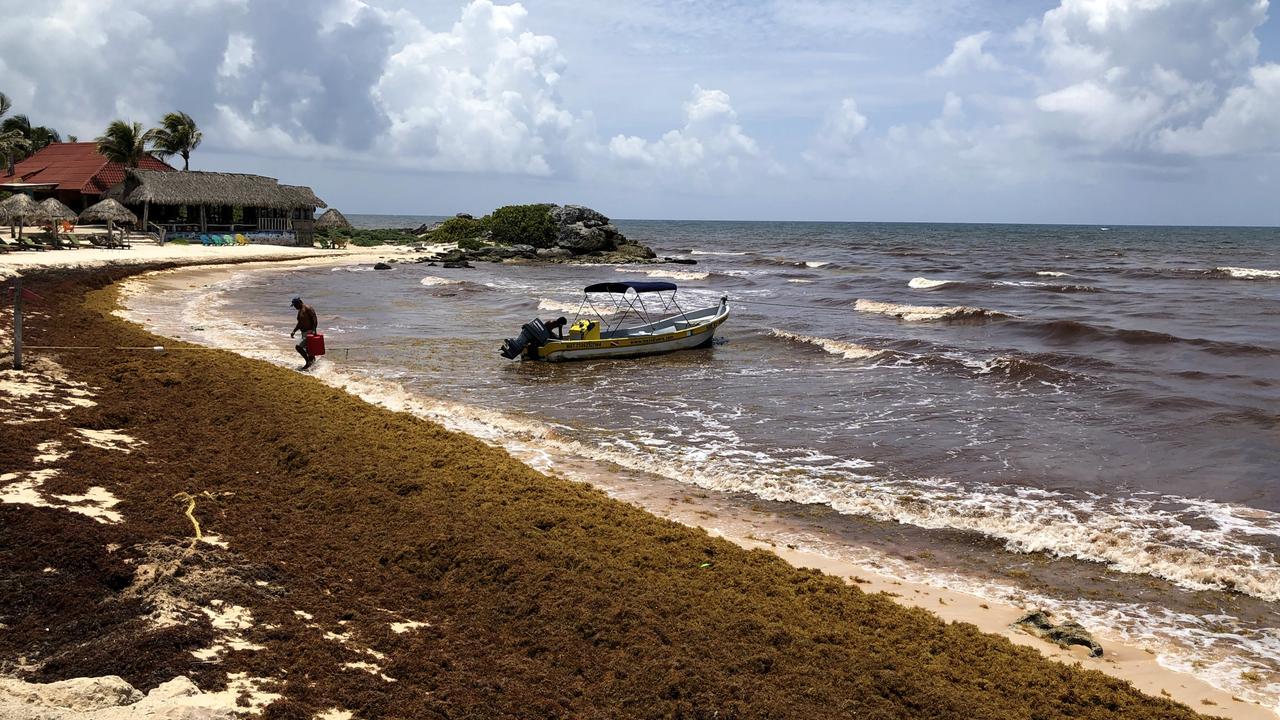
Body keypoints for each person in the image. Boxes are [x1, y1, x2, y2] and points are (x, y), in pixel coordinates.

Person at [290, 297, 319, 370]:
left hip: (309, 332)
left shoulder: (307, 308)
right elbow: (300, 323)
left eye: (295, 305)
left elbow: (314, 319)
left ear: (299, 302)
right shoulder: (300, 311)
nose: (295, 307)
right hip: (304, 333)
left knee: (299, 347)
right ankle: (314, 367)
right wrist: (294, 331)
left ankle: (308, 363)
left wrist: (314, 330)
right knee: (309, 350)